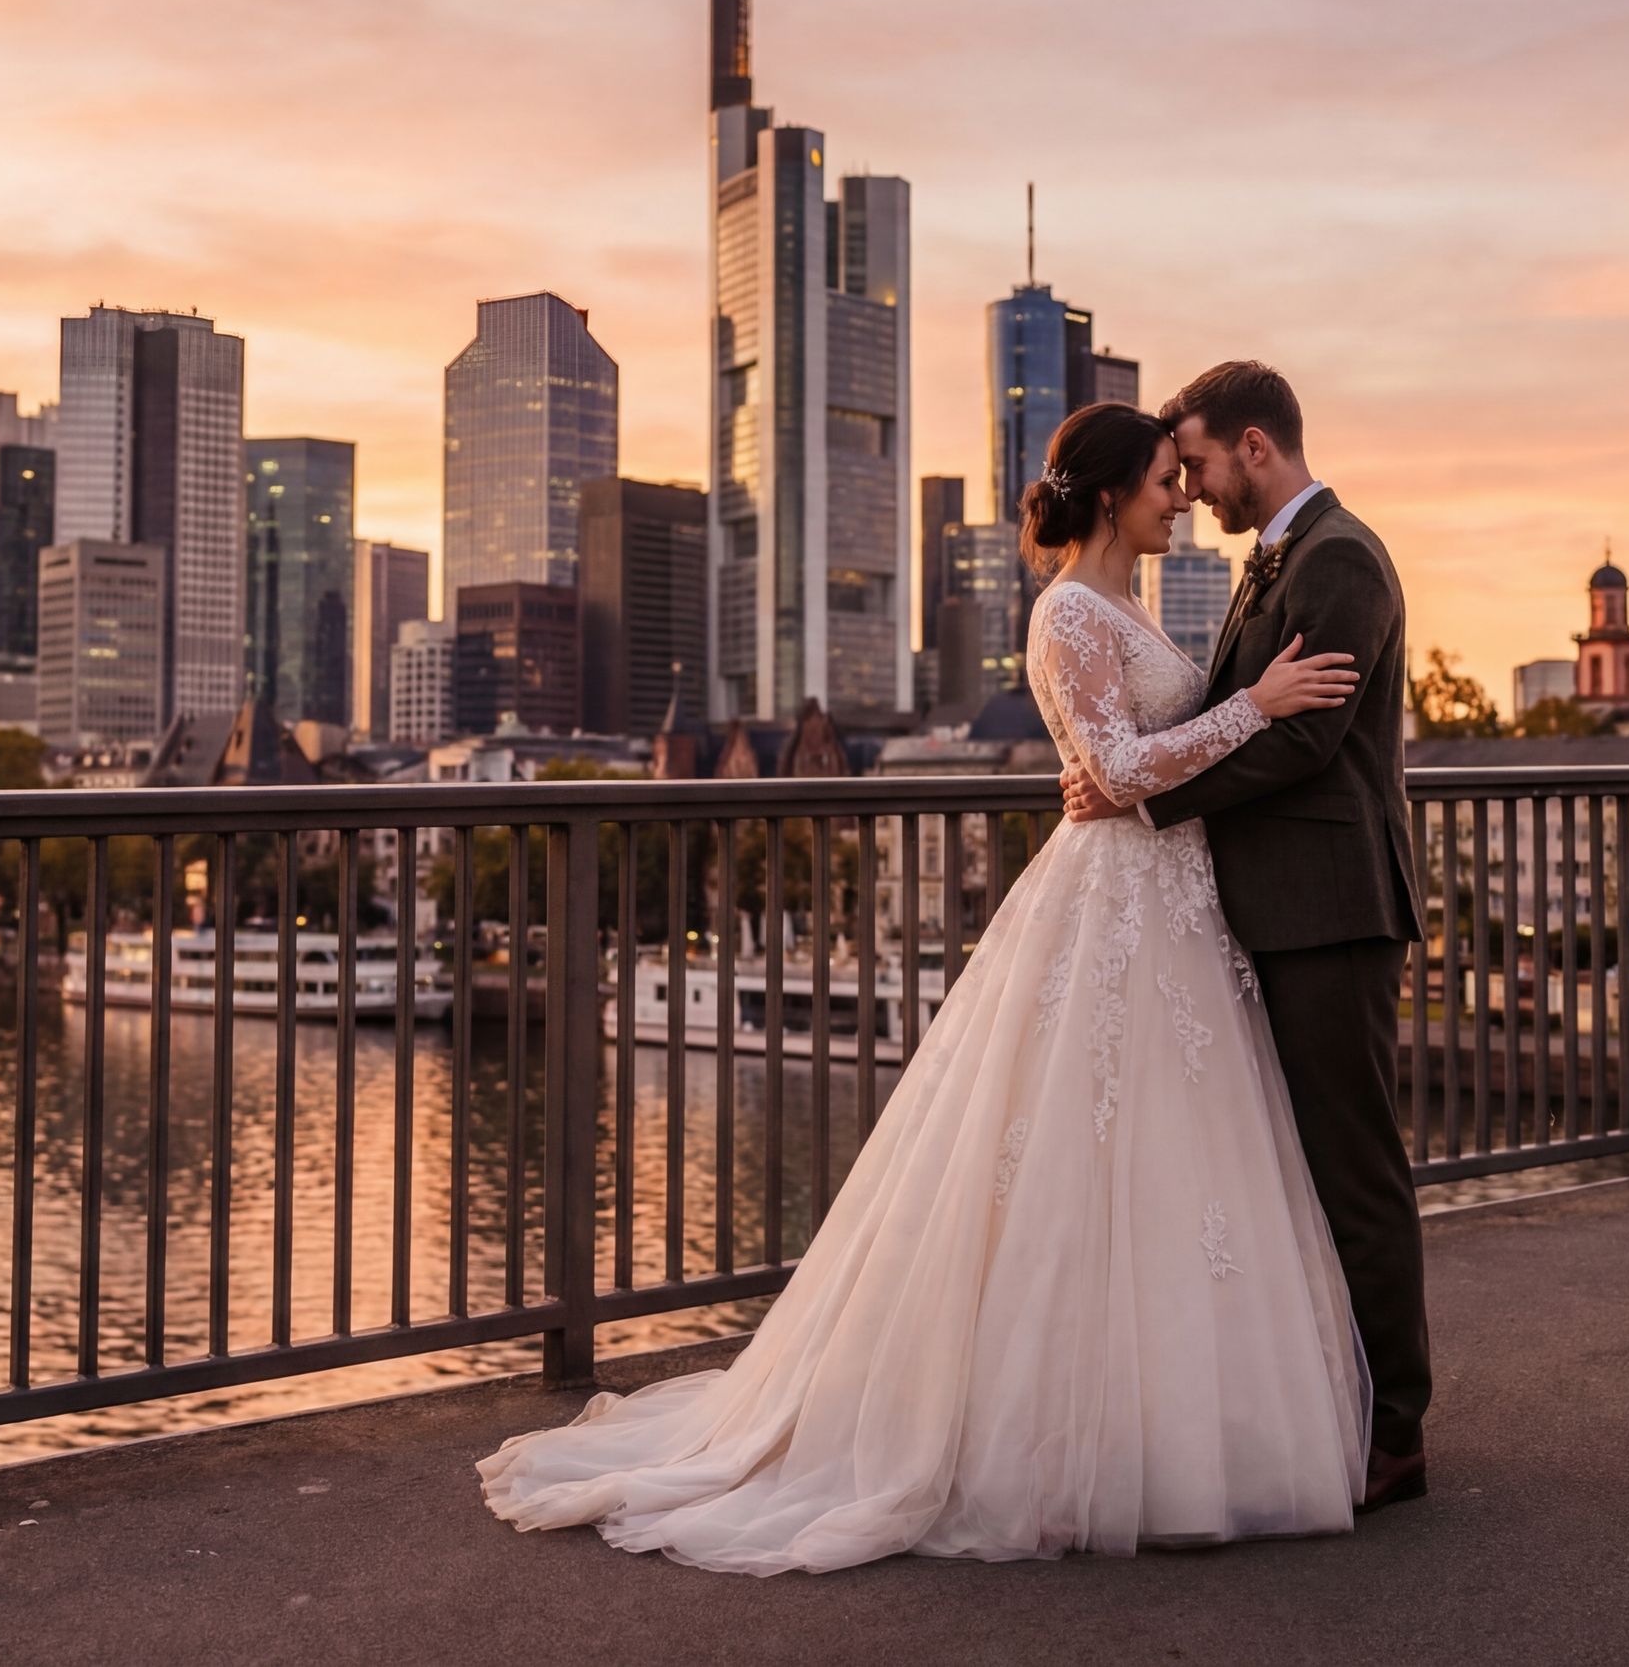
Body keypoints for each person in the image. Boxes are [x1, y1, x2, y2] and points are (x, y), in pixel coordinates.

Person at [479, 401, 1372, 1574]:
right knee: (1079, 1157)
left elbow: (1128, 766)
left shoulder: (1131, 604)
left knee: (1170, 1162)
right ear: (1113, 496)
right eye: (1166, 481)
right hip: (1116, 902)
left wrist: (1195, 737)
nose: (1183, 500)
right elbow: (1111, 770)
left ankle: (1174, 1435)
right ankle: (1064, 1443)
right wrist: (1253, 706)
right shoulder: (1066, 611)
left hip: (1174, 905)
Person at [1060, 361, 1432, 1510]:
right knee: (1292, 1168)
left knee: (1353, 1169)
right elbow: (1241, 713)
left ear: (1255, 447)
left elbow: (1304, 740)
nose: (1192, 489)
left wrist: (1140, 798)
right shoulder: (1278, 558)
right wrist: (1141, 779)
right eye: (1174, 474)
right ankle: (1331, 1406)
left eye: (1201, 464)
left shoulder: (1339, 559)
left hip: (1329, 909)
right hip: (1266, 907)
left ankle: (1395, 1433)